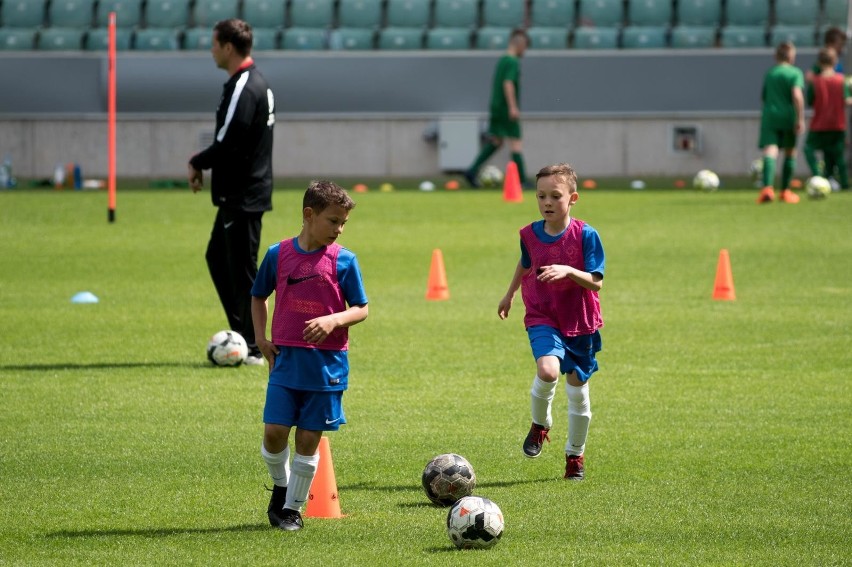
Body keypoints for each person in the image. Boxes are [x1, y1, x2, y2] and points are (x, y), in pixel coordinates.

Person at [251, 180, 369, 531]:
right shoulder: (278, 254)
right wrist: (260, 338)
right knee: (274, 432)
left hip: (327, 366)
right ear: (308, 214)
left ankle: (291, 510)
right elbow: (259, 296)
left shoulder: (344, 261)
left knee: (307, 439)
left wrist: (334, 319)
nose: (339, 229)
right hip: (286, 361)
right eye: (333, 221)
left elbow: (361, 308)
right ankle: (282, 486)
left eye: (343, 223)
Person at [497, 163, 605, 481]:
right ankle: (540, 424)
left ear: (573, 198)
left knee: (577, 392)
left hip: (580, 321)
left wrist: (568, 270)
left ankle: (575, 455)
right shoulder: (529, 234)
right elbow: (526, 262)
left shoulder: (586, 235)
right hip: (542, 314)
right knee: (547, 370)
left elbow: (596, 281)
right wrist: (510, 294)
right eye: (541, 196)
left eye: (554, 196)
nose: (546, 202)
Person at [188, 19, 275, 365]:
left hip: (243, 193)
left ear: (227, 46)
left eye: (214, 43)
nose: (210, 50)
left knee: (243, 271)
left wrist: (197, 161)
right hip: (241, 193)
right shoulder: (255, 83)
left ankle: (254, 346)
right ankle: (242, 336)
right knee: (219, 260)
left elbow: (228, 141)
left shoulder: (245, 85)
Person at [464, 28, 531, 189]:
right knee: (516, 142)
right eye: (526, 47)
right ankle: (521, 180)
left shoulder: (503, 59)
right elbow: (508, 83)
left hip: (496, 106)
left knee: (497, 141)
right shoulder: (512, 61)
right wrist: (513, 107)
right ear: (520, 44)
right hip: (505, 108)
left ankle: (471, 171)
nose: (525, 51)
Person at [757, 42, 805, 204]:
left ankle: (767, 189)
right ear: (791, 56)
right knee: (790, 152)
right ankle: (785, 191)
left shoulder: (771, 73)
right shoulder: (794, 73)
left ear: (775, 56)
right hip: (788, 116)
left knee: (770, 150)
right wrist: (800, 118)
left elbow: (763, 97)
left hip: (770, 115)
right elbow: (797, 96)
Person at [804, 47, 851, 189]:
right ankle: (843, 183)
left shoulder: (815, 82)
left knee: (808, 148)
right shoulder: (841, 80)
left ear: (819, 62)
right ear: (835, 61)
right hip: (838, 123)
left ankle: (818, 175)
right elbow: (847, 100)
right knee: (838, 154)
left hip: (820, 123)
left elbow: (810, 101)